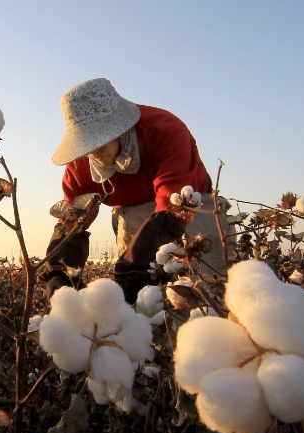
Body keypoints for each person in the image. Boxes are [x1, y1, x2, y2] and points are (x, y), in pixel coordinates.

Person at [41, 78, 228, 303]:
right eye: (89, 146)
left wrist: (133, 269)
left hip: (190, 209)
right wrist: (57, 270)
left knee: (207, 289)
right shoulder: (81, 165)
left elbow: (173, 203)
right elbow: (74, 218)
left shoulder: (165, 130)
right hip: (132, 214)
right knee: (147, 305)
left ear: (121, 128)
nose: (95, 153)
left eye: (101, 142)